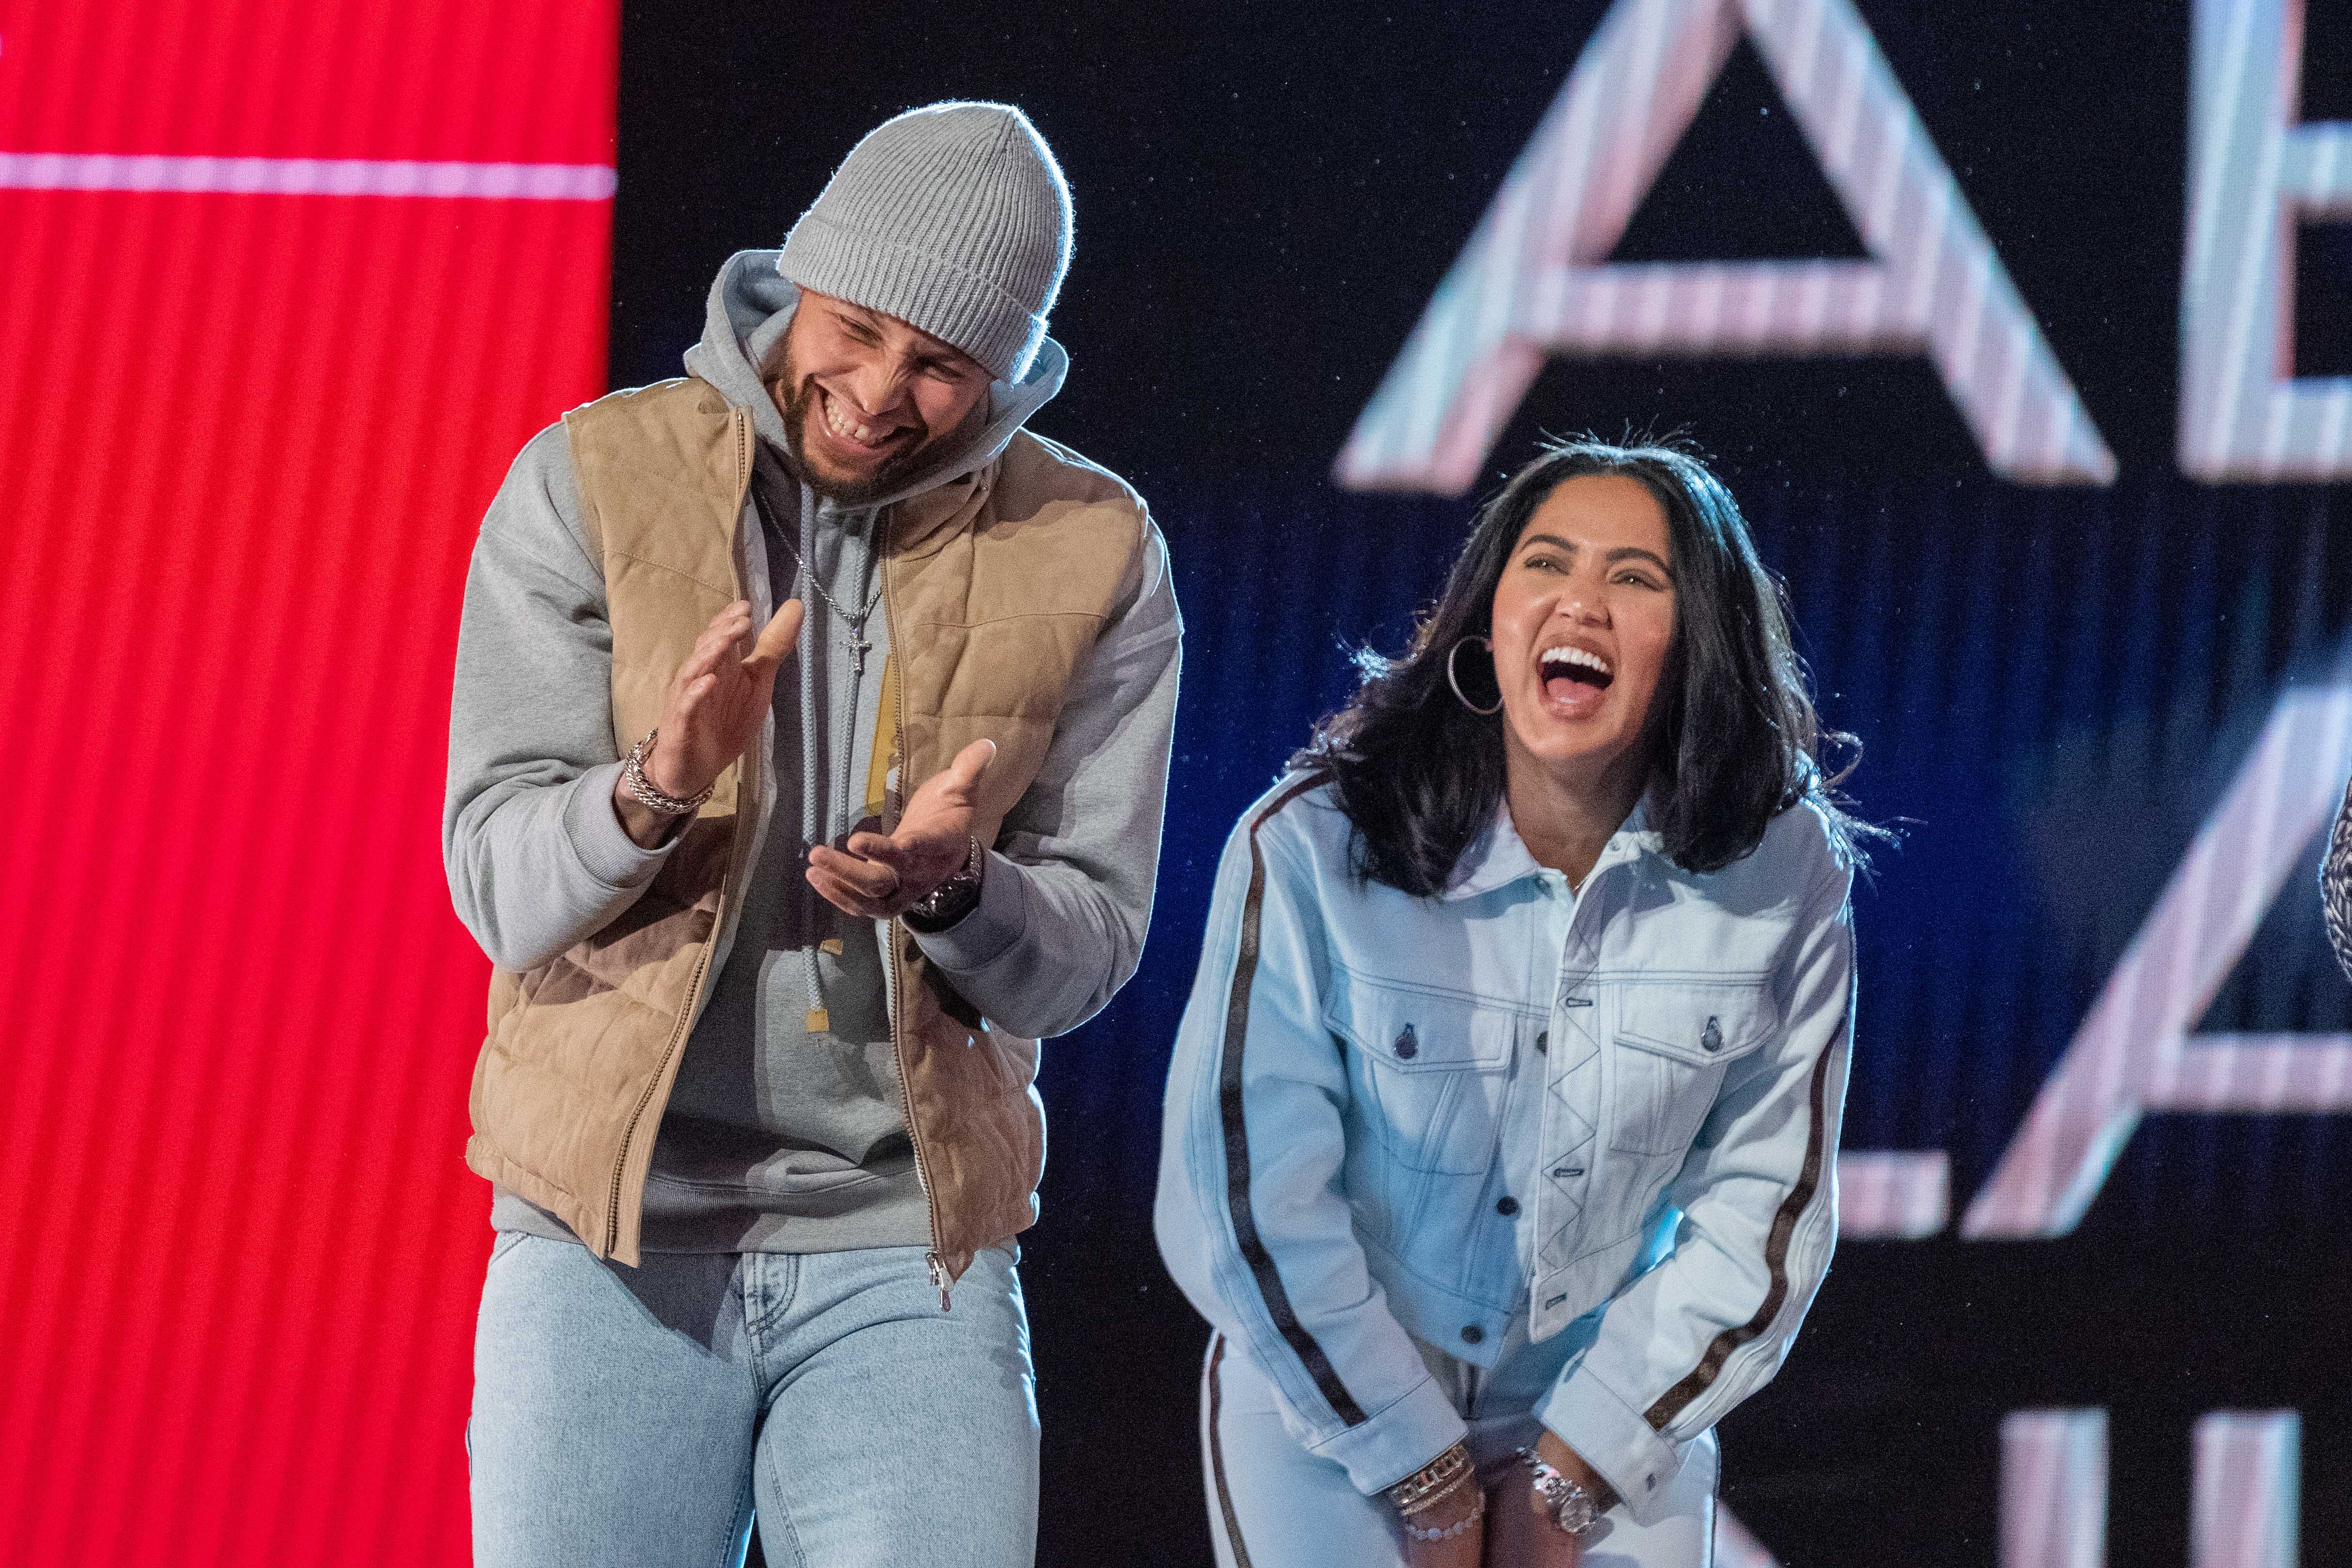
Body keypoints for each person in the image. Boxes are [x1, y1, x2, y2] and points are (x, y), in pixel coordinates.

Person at [444, 102, 1180, 1568]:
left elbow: (1084, 957)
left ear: (1010, 375)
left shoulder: (1095, 546)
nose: (879, 393)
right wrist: (652, 786)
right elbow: (497, 890)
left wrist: (960, 889)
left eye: (943, 367)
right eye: (856, 330)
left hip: (909, 1245)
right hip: (609, 1237)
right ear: (792, 284)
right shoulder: (587, 479)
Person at [1155, 439, 1868, 1567]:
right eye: (1547, 563)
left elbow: (1764, 1214)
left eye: (1635, 578)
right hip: (1332, 1394)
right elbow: (1247, 1204)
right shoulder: (1308, 844)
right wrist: (1424, 1476)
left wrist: (1569, 1477)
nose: (1581, 599)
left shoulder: (1781, 872)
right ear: (1490, 619)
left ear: (1698, 645)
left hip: (1602, 1404)